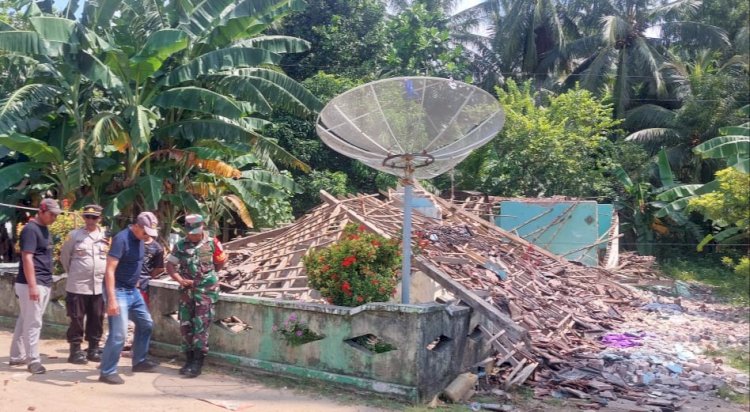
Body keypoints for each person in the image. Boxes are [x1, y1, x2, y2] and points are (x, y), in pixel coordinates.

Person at [98, 212, 161, 384]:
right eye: (145, 232)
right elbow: (109, 270)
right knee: (119, 334)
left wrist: (136, 284)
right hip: (117, 291)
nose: (147, 236)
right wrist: (111, 299)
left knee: (146, 323)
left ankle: (139, 361)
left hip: (132, 290)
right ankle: (107, 371)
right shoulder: (121, 239)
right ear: (137, 226)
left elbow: (136, 264)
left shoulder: (140, 240)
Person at [166, 214, 227, 378]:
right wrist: (179, 279)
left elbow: (220, 262)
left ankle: (198, 363)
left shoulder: (212, 243)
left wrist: (206, 278)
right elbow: (170, 265)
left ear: (202, 228)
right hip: (187, 293)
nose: (192, 235)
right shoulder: (180, 245)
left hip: (206, 293)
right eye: (190, 232)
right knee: (186, 325)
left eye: (196, 232)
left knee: (201, 326)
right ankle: (188, 359)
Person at [9, 198, 61, 374]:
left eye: (56, 215)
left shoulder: (44, 229)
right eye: (51, 214)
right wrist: (33, 285)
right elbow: (27, 257)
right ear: (42, 211)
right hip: (32, 282)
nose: (54, 218)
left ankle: (17, 356)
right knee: (34, 322)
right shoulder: (30, 230)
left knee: (26, 319)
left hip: (42, 281)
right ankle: (33, 360)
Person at [59, 204, 108, 364]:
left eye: (94, 217)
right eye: (87, 217)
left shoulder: (107, 236)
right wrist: (75, 273)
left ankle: (93, 349)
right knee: (77, 318)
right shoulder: (73, 235)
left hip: (99, 286)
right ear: (83, 217)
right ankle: (75, 351)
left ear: (100, 218)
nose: (90, 220)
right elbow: (65, 258)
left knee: (97, 318)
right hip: (77, 286)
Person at [137, 235, 165, 307]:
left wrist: (147, 278)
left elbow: (159, 268)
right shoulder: (132, 241)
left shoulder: (157, 248)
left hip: (143, 285)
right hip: (126, 283)